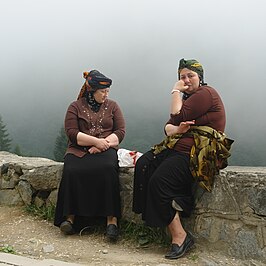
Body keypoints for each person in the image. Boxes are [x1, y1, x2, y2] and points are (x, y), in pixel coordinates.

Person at [132, 58, 233, 259]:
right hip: (178, 148)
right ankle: (158, 216)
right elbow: (168, 126)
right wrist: (177, 128)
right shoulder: (189, 98)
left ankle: (180, 236)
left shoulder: (206, 94)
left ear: (200, 78)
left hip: (197, 153)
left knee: (159, 181)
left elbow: (176, 114)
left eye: (190, 76)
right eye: (182, 77)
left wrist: (175, 90)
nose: (186, 80)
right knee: (144, 164)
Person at [54, 69, 126, 241]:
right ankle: (69, 218)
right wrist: (95, 142)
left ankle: (112, 221)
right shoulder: (75, 107)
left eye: (107, 91)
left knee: (108, 168)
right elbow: (71, 132)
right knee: (72, 169)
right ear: (91, 91)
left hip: (106, 148)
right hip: (78, 150)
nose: (106, 95)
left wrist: (103, 145)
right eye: (103, 92)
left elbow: (120, 131)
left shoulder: (113, 106)